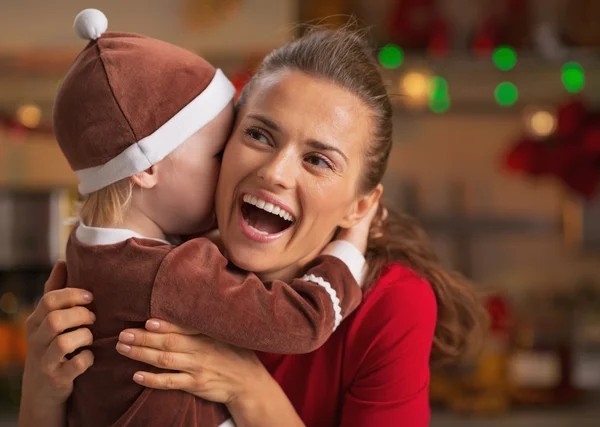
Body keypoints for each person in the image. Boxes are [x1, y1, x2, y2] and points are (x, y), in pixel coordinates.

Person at [19, 27, 484, 427]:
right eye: (259, 135)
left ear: (359, 207)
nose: (276, 172)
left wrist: (248, 388)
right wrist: (41, 394)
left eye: (318, 160)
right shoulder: (156, 257)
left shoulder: (391, 302)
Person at [52, 9, 371, 427]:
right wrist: (349, 249)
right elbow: (302, 322)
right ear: (147, 168)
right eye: (219, 152)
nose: (229, 171)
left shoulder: (82, 247)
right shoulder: (173, 270)